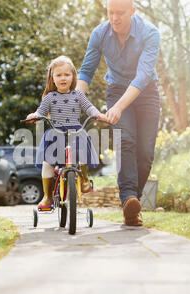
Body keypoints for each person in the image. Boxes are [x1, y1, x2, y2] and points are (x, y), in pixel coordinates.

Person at [76, 0, 161, 226]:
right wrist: (73, 101)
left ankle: (133, 202)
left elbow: (143, 76)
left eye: (120, 13)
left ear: (133, 11)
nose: (115, 18)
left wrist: (119, 107)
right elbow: (86, 71)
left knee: (145, 154)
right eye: (111, 12)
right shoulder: (100, 34)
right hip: (116, 90)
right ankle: (129, 202)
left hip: (146, 93)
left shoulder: (150, 33)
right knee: (126, 140)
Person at [26, 55, 107, 210]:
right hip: (55, 133)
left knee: (82, 154)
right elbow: (41, 111)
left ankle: (84, 180)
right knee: (47, 163)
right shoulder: (50, 97)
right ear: (52, 77)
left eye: (67, 74)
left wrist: (98, 114)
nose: (63, 78)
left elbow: (89, 107)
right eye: (59, 75)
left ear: (73, 76)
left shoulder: (78, 95)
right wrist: (35, 116)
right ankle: (48, 197)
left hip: (75, 132)